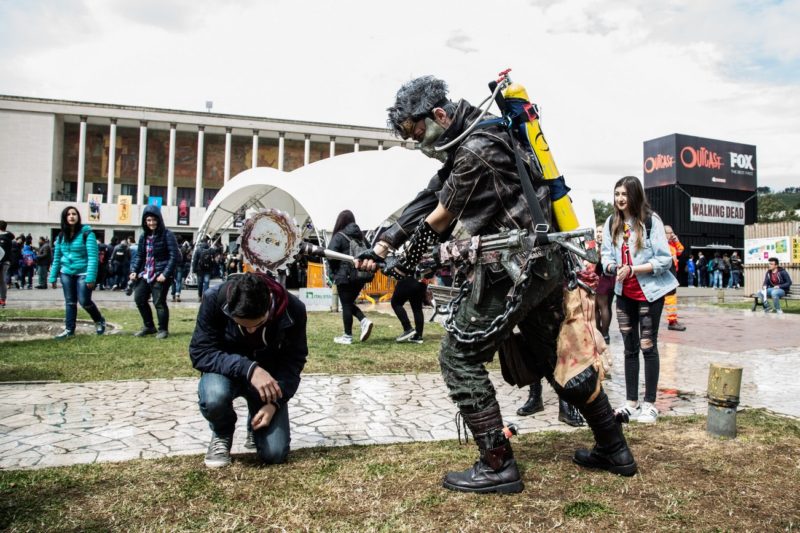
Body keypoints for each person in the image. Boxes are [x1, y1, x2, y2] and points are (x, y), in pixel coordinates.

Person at [356, 76, 637, 493]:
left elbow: (440, 216)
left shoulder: (475, 150)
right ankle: (613, 448)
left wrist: (405, 261)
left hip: (513, 271)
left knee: (458, 358)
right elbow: (429, 195)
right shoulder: (483, 132)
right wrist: (384, 241)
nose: (420, 143)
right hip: (543, 267)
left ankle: (497, 463)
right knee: (553, 356)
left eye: (418, 133)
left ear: (438, 115)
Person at [189, 272, 308, 468]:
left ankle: (255, 425)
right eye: (242, 325)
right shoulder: (214, 299)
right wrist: (249, 369)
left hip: (268, 382)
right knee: (214, 396)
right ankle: (222, 433)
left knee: (275, 454)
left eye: (258, 324)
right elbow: (200, 352)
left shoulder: (293, 309)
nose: (251, 331)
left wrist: (275, 403)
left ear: (269, 303)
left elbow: (294, 361)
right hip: (224, 373)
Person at [601, 176, 678, 425]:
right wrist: (613, 267)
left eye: (624, 194)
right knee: (629, 348)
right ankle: (631, 403)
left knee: (648, 346)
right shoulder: (611, 222)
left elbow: (665, 259)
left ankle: (650, 404)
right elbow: (604, 255)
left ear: (634, 195)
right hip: (624, 293)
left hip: (650, 293)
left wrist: (635, 269)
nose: (620, 199)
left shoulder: (650, 221)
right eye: (617, 194)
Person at [48, 206, 107, 339]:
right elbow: (57, 257)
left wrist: (91, 277)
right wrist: (52, 277)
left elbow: (93, 257)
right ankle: (69, 330)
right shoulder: (61, 235)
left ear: (78, 216)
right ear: (65, 218)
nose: (71, 216)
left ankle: (99, 320)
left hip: (84, 273)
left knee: (84, 301)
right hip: (66, 273)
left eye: (74, 214)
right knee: (70, 302)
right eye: (68, 214)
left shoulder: (87, 233)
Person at [129, 205, 179, 339]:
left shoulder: (167, 235)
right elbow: (140, 255)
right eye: (148, 220)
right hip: (146, 273)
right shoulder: (144, 236)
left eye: (154, 220)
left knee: (159, 302)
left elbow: (175, 256)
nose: (151, 223)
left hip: (160, 275)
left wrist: (165, 274)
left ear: (159, 219)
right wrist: (134, 270)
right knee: (139, 298)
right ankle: (149, 326)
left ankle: (163, 329)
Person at [326, 210, 374, 345]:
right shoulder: (362, 237)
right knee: (348, 303)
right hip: (360, 276)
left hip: (344, 276)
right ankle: (364, 321)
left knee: (346, 305)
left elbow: (330, 255)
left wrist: (334, 271)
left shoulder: (339, 236)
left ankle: (348, 336)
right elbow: (370, 253)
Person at [663, 225, 686, 331]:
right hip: (667, 274)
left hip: (672, 273)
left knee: (671, 298)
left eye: (672, 232)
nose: (672, 235)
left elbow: (680, 250)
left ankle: (672, 320)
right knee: (670, 298)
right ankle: (672, 321)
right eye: (670, 233)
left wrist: (676, 241)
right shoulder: (662, 244)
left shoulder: (672, 244)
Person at [391, 276, 427, 344]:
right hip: (422, 282)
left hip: (407, 279)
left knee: (395, 303)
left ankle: (407, 328)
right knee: (417, 308)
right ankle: (418, 336)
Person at [0, 220, 14, 307]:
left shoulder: (2, 238)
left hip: (2, 262)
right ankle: (2, 299)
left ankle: (2, 299)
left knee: (2, 281)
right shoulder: (9, 237)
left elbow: (2, 252)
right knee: (2, 281)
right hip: (6, 261)